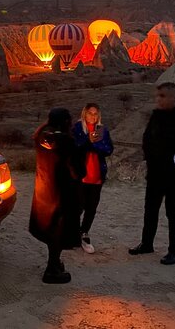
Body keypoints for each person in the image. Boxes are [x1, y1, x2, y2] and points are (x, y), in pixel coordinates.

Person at [129, 82, 175, 265]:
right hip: (155, 173)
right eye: (158, 95)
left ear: (173, 97)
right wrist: (150, 158)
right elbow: (147, 139)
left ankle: (174, 251)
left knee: (173, 213)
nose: (158, 99)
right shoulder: (157, 117)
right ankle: (147, 243)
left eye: (162, 96)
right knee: (150, 210)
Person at [29, 107, 85, 284]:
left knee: (51, 228)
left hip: (45, 191)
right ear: (66, 122)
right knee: (59, 231)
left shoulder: (42, 135)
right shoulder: (65, 141)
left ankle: (54, 263)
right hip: (63, 192)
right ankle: (52, 270)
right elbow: (78, 171)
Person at [72, 103, 113, 254]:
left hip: (97, 175)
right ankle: (74, 234)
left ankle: (84, 233)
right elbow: (75, 148)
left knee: (92, 207)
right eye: (90, 113)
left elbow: (109, 149)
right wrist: (88, 141)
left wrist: (95, 145)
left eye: (96, 114)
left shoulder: (102, 130)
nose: (93, 116)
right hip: (81, 175)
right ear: (85, 114)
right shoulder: (77, 128)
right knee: (78, 207)